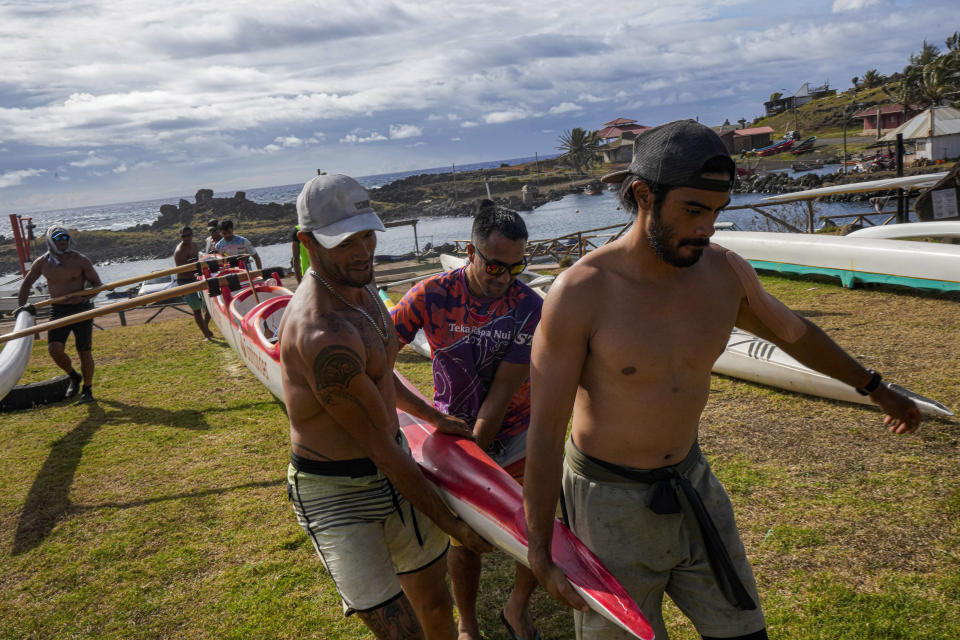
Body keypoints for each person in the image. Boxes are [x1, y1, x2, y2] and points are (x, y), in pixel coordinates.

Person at [522, 120, 922, 640]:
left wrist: (875, 387)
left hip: (693, 485)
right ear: (644, 195)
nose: (707, 228)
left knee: (744, 633)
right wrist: (540, 550)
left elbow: (797, 336)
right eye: (693, 210)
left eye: (716, 212)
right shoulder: (581, 293)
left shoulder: (724, 274)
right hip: (607, 504)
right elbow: (546, 431)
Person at [279, 173, 492, 640]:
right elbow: (381, 445)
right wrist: (450, 521)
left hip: (395, 470)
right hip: (337, 494)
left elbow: (380, 378)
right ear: (306, 242)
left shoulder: (363, 294)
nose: (362, 252)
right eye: (344, 242)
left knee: (436, 607)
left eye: (366, 235)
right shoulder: (321, 334)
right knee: (402, 633)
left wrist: (434, 416)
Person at [391, 199, 543, 640]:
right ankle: (468, 625)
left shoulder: (528, 306)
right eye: (496, 267)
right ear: (469, 251)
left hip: (514, 431)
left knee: (532, 526)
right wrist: (429, 417)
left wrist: (480, 455)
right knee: (465, 539)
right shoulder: (430, 294)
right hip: (453, 432)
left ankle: (516, 610)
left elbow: (503, 391)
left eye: (517, 268)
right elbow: (378, 362)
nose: (506, 280)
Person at [17, 226, 103, 403]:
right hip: (58, 310)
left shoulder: (80, 260)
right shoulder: (42, 263)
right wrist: (22, 308)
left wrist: (83, 298)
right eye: (57, 239)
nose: (62, 241)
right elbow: (25, 285)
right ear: (50, 241)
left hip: (81, 310)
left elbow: (98, 285)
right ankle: (74, 376)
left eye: (65, 237)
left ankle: (87, 390)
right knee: (54, 350)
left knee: (84, 352)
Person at [173, 226, 213, 340]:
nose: (186, 238)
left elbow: (198, 261)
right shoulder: (180, 251)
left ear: (192, 235)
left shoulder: (194, 245)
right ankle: (206, 334)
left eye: (188, 235)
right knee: (196, 309)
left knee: (209, 306)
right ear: (180, 237)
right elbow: (184, 270)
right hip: (185, 281)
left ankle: (205, 327)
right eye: (183, 236)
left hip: (196, 278)